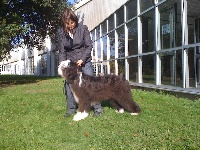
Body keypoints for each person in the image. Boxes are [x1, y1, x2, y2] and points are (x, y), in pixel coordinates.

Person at [59, 8, 103, 117]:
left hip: (84, 61)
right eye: (67, 23)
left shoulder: (83, 29)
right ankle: (70, 109)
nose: (70, 25)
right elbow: (62, 51)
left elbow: (89, 46)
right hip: (71, 63)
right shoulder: (61, 32)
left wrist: (82, 59)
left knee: (90, 85)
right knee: (69, 86)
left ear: (75, 21)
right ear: (64, 23)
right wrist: (63, 65)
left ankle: (98, 109)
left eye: (72, 23)